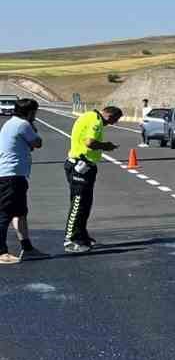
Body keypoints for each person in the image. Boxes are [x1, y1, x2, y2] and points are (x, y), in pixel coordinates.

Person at [63, 104, 122, 253]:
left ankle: (81, 236)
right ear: (109, 115)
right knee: (78, 203)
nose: (114, 124)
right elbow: (89, 142)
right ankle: (70, 240)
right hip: (80, 165)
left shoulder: (88, 116)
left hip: (84, 165)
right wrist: (106, 146)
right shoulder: (96, 121)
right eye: (115, 120)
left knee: (85, 204)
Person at [0, 98, 44, 264]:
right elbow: (37, 143)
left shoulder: (11, 123)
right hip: (10, 175)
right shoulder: (23, 124)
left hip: (13, 174)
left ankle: (27, 248)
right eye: (35, 112)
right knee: (4, 213)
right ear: (31, 112)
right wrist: (32, 125)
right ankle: (1, 252)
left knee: (20, 212)